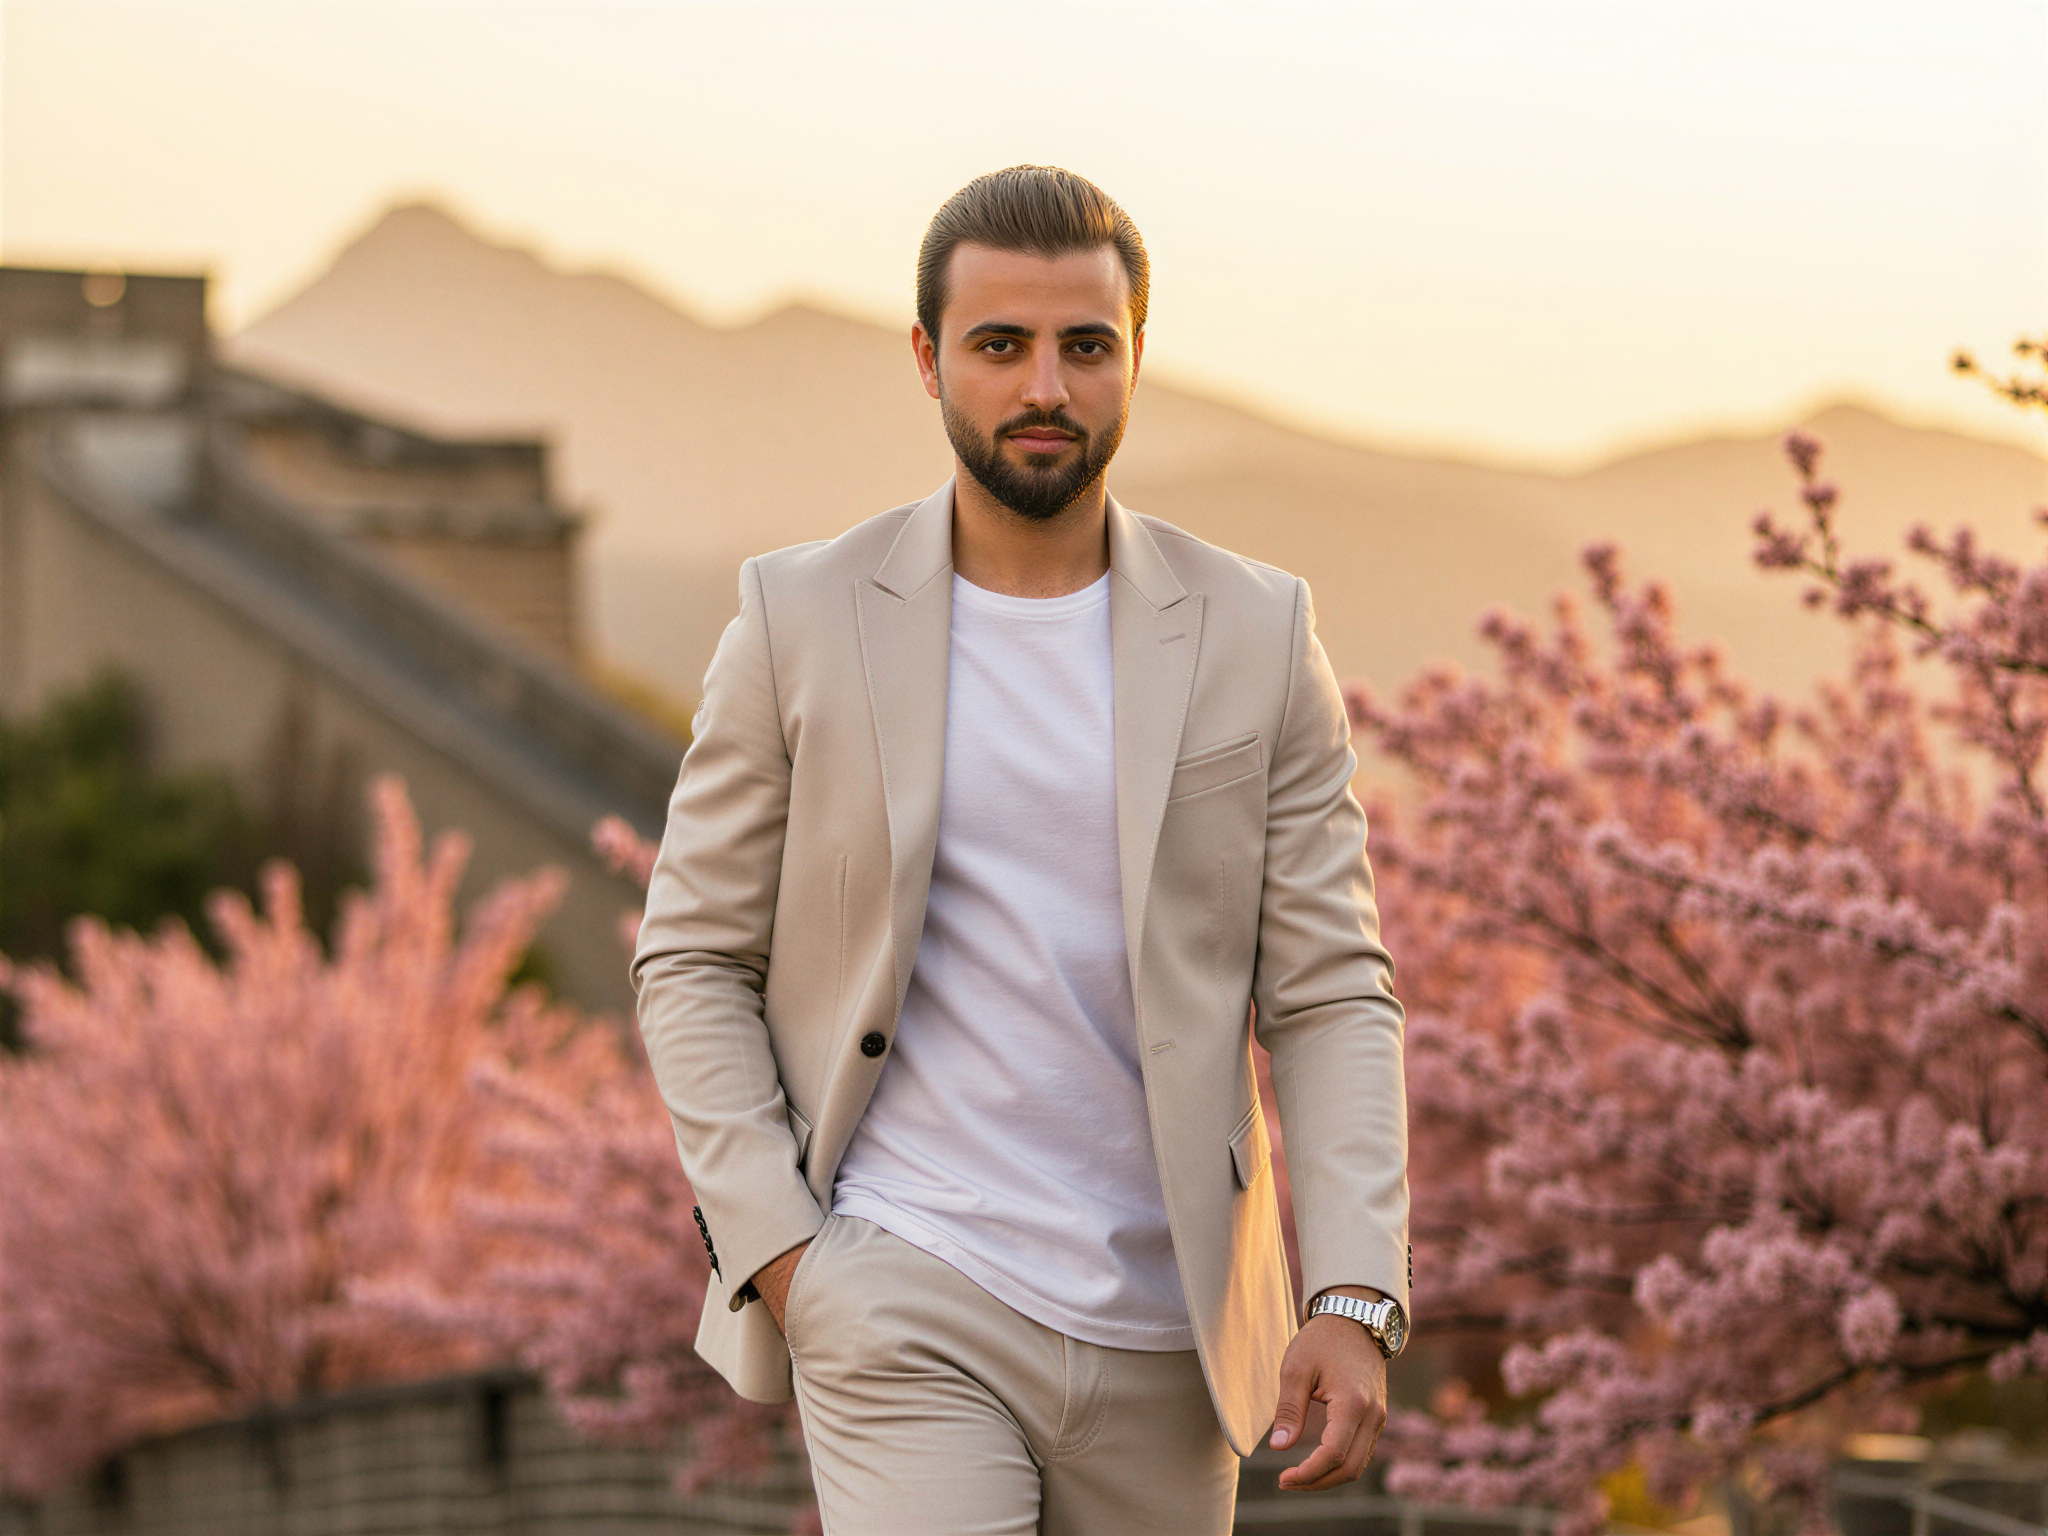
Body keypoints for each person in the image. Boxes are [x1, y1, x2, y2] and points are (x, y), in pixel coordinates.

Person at [633, 164, 1409, 1536]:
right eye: (1000, 344)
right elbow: (691, 957)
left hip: (1175, 1335)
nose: (1045, 386)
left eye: (1084, 346)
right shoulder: (798, 619)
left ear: (1136, 357)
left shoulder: (1259, 633)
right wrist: (789, 1258)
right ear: (928, 359)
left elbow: (1332, 990)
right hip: (901, 1289)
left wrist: (1352, 1289)